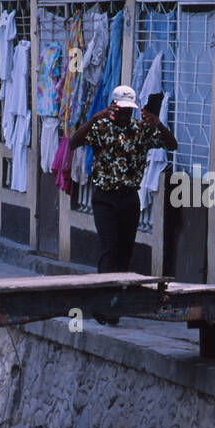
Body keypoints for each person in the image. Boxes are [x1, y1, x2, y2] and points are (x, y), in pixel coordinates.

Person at [68, 84, 177, 322]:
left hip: (129, 198)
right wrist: (93, 119)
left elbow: (172, 144)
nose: (126, 114)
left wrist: (157, 123)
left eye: (130, 110)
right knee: (110, 250)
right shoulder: (100, 128)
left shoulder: (141, 130)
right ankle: (103, 305)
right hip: (105, 199)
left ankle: (115, 304)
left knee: (125, 252)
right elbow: (74, 142)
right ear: (113, 107)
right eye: (122, 109)